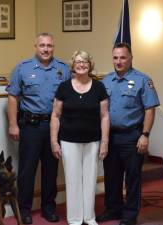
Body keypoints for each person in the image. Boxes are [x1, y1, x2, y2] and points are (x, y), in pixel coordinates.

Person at [6, 32, 71, 224]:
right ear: (35, 46)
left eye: (49, 46)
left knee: (51, 170)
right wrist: (12, 124)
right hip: (31, 126)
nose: (46, 49)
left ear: (53, 47)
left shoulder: (63, 69)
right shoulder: (22, 69)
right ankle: (24, 209)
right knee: (27, 170)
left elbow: (69, 97)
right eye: (42, 45)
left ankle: (48, 208)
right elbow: (12, 97)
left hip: (54, 127)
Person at [97, 42, 160, 225]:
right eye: (115, 57)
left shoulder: (143, 80)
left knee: (132, 177)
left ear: (131, 58)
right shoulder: (106, 80)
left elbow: (150, 109)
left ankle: (130, 215)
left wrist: (145, 135)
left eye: (123, 57)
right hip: (111, 136)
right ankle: (113, 209)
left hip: (132, 136)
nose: (118, 61)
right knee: (111, 176)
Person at [50, 50, 109, 225]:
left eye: (84, 61)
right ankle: (75, 219)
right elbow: (55, 115)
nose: (81, 64)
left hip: (93, 141)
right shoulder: (64, 87)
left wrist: (105, 142)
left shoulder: (99, 87)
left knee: (90, 179)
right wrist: (54, 141)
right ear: (72, 65)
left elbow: (105, 116)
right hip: (68, 141)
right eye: (77, 62)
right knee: (72, 179)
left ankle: (89, 217)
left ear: (90, 65)